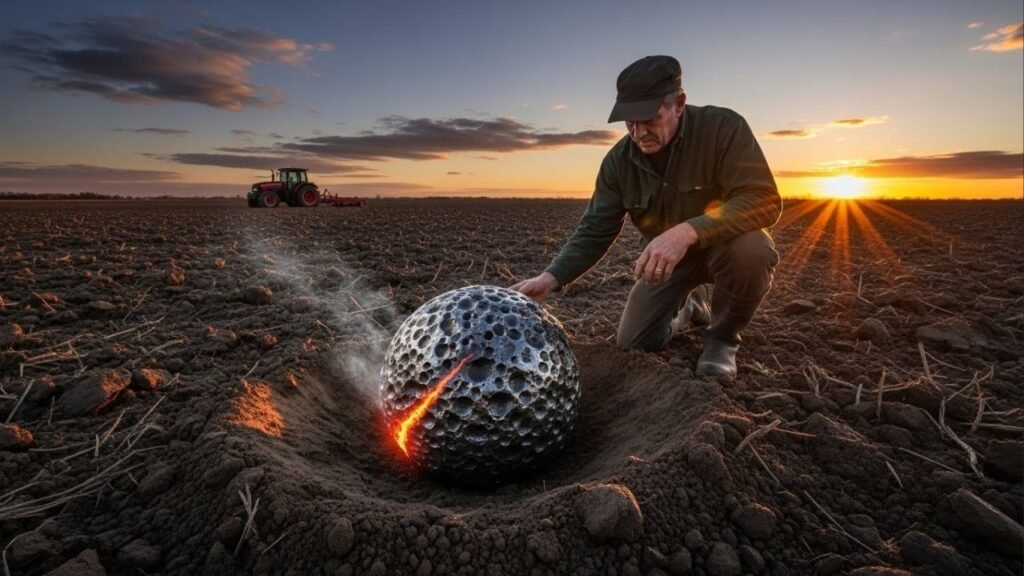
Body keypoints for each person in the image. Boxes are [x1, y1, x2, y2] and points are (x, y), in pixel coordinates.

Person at [512, 55, 781, 380]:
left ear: (678, 104)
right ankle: (691, 306)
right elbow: (595, 229)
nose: (639, 133)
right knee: (633, 344)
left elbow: (763, 200)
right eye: (630, 123)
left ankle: (723, 340)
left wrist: (687, 232)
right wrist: (551, 277)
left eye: (651, 119)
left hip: (725, 248)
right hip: (668, 265)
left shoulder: (723, 128)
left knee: (753, 250)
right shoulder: (619, 162)